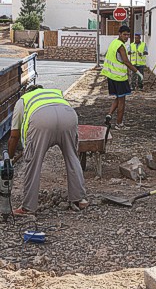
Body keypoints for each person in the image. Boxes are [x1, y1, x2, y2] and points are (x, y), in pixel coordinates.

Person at [8, 85, 88, 216]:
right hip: (68, 115)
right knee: (72, 157)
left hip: (42, 120)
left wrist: (9, 159)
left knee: (34, 163)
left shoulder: (23, 100)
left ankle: (28, 207)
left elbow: (14, 135)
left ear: (28, 92)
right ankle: (80, 199)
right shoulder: (55, 93)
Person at [101, 25, 143, 130]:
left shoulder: (113, 43)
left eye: (128, 35)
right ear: (119, 34)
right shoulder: (120, 46)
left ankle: (109, 114)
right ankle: (119, 124)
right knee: (122, 101)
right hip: (119, 77)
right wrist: (137, 71)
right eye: (124, 34)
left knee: (118, 97)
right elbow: (126, 61)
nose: (126, 37)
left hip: (110, 76)